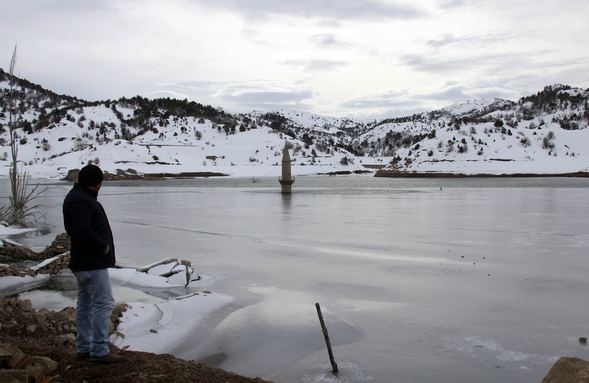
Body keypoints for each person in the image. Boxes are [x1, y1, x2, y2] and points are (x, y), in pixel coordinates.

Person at [62, 164, 124, 363]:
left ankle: (84, 348)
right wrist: (103, 247)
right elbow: (82, 232)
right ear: (96, 184)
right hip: (91, 262)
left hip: (84, 261)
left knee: (86, 305)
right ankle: (98, 351)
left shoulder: (78, 197)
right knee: (103, 304)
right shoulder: (81, 200)